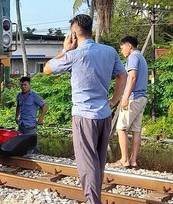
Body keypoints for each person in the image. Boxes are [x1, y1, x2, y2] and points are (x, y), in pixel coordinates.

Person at [43, 14, 127, 204]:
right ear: (91, 30)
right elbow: (122, 76)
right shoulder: (110, 51)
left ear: (73, 34)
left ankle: (92, 202)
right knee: (98, 162)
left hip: (83, 116)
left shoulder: (73, 55)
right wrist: (113, 101)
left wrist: (64, 50)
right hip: (104, 114)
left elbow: (47, 68)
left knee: (87, 164)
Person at [115, 36, 149, 169]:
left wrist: (125, 98)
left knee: (121, 128)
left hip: (133, 98)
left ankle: (124, 160)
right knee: (135, 130)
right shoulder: (141, 57)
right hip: (142, 98)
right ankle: (133, 161)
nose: (122, 50)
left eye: (122, 47)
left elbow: (132, 77)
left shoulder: (133, 57)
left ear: (129, 46)